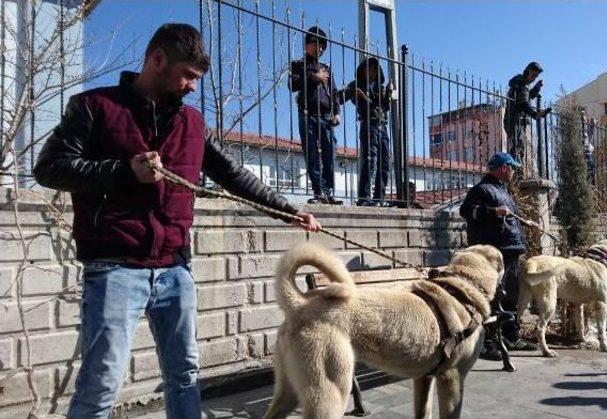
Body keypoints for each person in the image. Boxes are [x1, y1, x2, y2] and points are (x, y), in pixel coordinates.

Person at [33, 23, 320, 419]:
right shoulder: (94, 106)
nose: (192, 87)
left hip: (175, 269)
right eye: (187, 75)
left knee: (185, 375)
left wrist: (288, 210)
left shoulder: (193, 123)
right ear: (157, 60)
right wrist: (123, 171)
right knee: (102, 384)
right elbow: (49, 168)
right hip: (114, 267)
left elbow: (233, 175)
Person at [459, 152, 537, 360]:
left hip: (510, 251)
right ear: (504, 168)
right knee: (493, 297)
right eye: (512, 168)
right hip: (493, 254)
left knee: (511, 295)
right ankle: (487, 342)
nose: (513, 172)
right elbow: (466, 211)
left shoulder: (502, 190)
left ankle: (511, 336)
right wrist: (493, 211)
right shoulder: (481, 189)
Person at [290, 26, 342, 205]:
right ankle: (319, 192)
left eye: (322, 46)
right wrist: (314, 77)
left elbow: (334, 92)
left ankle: (328, 192)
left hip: (326, 115)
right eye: (316, 44)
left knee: (330, 154)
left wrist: (336, 111)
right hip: (307, 113)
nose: (319, 49)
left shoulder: (326, 68)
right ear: (307, 45)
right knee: (312, 154)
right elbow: (293, 85)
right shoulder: (298, 65)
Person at [339, 57, 392, 206]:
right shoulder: (358, 84)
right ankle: (364, 197)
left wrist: (387, 92)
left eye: (374, 68)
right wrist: (354, 94)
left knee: (385, 162)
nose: (372, 71)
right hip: (368, 124)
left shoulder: (380, 88)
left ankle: (379, 198)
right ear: (363, 70)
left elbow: (386, 107)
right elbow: (340, 97)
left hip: (382, 125)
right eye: (369, 68)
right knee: (370, 160)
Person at [504, 62, 550, 172]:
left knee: (520, 146)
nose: (533, 79)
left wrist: (536, 88)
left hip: (519, 120)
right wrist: (535, 114)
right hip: (514, 120)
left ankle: (517, 171)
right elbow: (523, 103)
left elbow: (527, 98)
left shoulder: (523, 85)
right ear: (527, 72)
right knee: (517, 147)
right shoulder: (519, 84)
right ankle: (516, 173)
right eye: (533, 75)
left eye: (536, 77)